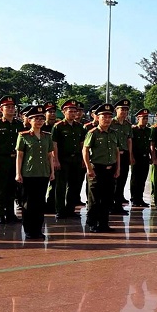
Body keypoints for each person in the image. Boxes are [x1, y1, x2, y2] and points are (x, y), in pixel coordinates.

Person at [15, 105, 55, 240]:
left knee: (40, 203)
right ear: (30, 120)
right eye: (36, 119)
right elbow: (20, 156)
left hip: (43, 172)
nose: (39, 121)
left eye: (41, 119)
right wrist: (18, 173)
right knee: (28, 203)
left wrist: (52, 171)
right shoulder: (23, 136)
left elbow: (50, 155)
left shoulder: (47, 136)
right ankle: (29, 230)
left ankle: (38, 229)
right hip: (29, 173)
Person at [82, 103, 121, 232]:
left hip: (110, 169)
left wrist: (118, 168)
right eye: (104, 117)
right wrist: (89, 168)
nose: (107, 119)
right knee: (94, 198)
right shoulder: (93, 133)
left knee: (107, 198)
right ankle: (92, 223)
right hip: (97, 169)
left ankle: (104, 224)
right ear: (98, 117)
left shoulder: (114, 133)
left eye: (109, 117)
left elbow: (117, 152)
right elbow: (85, 150)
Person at [0, 96, 24, 224]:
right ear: (1, 109)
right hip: (2, 159)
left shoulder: (19, 124)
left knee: (13, 188)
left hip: (16, 159)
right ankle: (2, 214)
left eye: (13, 107)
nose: (11, 109)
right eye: (7, 107)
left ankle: (10, 213)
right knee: (2, 188)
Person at [51, 100, 86, 220]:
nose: (73, 113)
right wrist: (55, 160)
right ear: (64, 112)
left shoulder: (80, 127)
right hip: (63, 159)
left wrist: (83, 159)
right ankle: (60, 210)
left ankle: (70, 209)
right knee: (60, 186)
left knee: (74, 185)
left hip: (76, 159)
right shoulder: (58, 126)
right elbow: (54, 145)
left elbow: (82, 144)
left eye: (75, 111)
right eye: (70, 111)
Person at [109, 99, 133, 214]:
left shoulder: (128, 125)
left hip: (124, 155)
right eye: (121, 109)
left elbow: (129, 141)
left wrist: (130, 155)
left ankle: (118, 205)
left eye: (126, 110)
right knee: (112, 182)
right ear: (116, 110)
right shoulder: (111, 123)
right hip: (113, 155)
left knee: (122, 181)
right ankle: (110, 205)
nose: (124, 112)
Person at [129, 108, 151, 208]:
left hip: (145, 157)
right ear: (138, 118)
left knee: (143, 179)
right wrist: (131, 156)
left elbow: (150, 145)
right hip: (136, 157)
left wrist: (151, 156)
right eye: (143, 118)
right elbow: (130, 144)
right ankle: (134, 198)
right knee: (135, 179)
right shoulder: (133, 130)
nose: (145, 120)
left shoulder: (148, 130)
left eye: (146, 118)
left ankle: (140, 198)